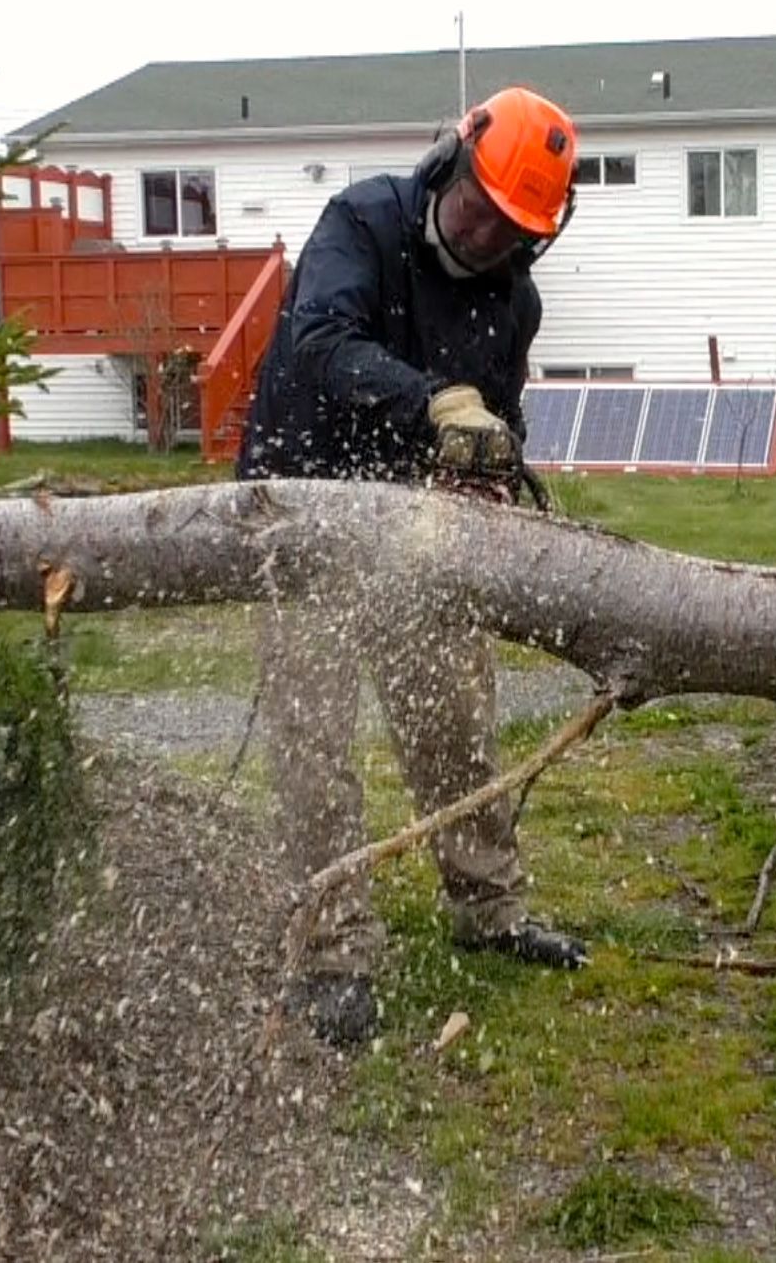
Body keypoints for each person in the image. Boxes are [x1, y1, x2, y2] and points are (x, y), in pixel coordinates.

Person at [237, 86, 585, 1047]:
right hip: (301, 506)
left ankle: (490, 906)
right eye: (478, 204)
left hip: (413, 531)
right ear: (450, 163)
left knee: (455, 721)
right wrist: (433, 404)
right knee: (313, 745)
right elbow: (321, 342)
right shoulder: (362, 224)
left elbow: (499, 416)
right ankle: (333, 951)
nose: (483, 233)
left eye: (510, 229)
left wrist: (491, 467)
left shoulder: (513, 300)